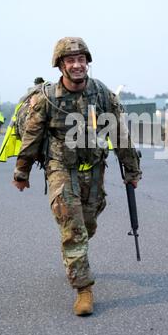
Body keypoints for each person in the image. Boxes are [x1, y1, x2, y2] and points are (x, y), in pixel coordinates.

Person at [12, 37, 142, 316]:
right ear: (60, 66)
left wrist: (132, 170)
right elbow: (32, 137)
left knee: (88, 224)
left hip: (94, 168)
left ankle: (75, 252)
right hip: (61, 168)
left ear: (87, 62)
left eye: (81, 59)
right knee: (73, 228)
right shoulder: (47, 98)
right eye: (70, 60)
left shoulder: (101, 93)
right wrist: (21, 171)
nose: (77, 64)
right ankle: (84, 289)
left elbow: (119, 133)